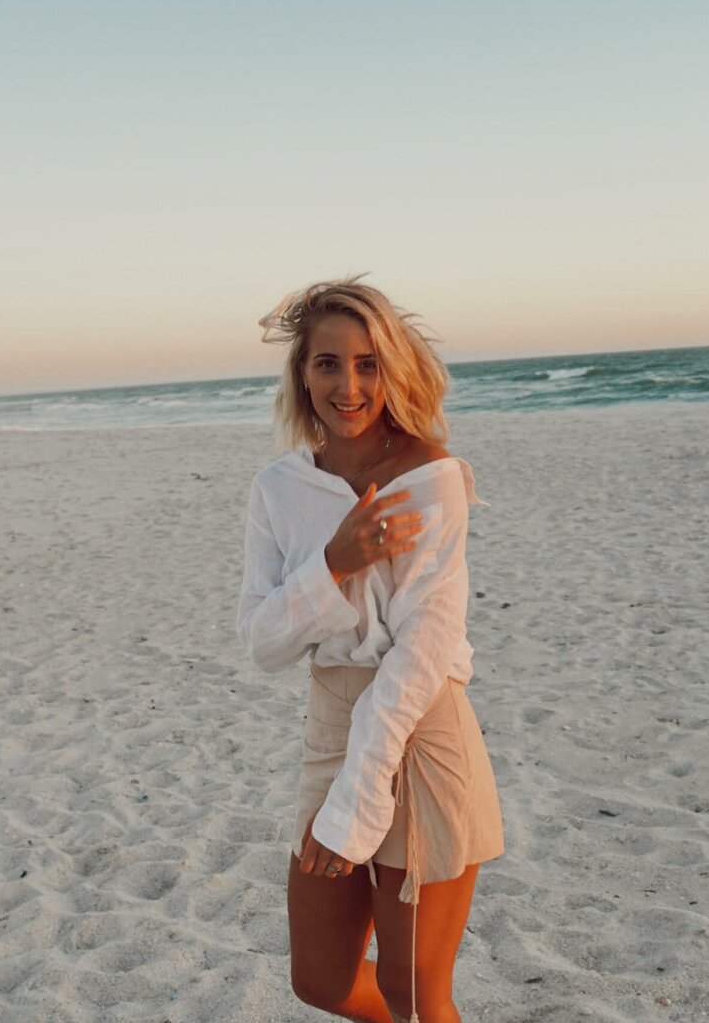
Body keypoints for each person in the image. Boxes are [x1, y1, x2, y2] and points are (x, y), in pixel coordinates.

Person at [235, 276, 504, 1023]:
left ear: (392, 370)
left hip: (416, 726)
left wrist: (362, 793)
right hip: (330, 722)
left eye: (367, 364)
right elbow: (262, 642)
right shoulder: (277, 488)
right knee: (320, 982)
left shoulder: (431, 477)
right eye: (328, 363)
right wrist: (334, 563)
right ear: (302, 373)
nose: (347, 386)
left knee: (413, 994)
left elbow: (426, 645)